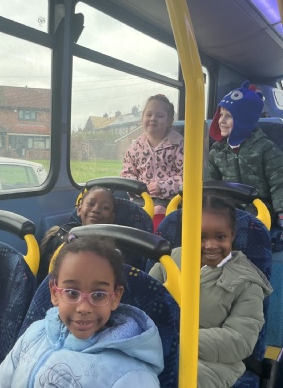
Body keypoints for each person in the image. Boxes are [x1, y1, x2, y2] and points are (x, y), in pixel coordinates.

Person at [0, 236, 164, 388]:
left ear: (115, 297)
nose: (83, 308)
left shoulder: (132, 374)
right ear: (54, 293)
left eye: (99, 295)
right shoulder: (35, 333)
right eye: (72, 293)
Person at [149, 195, 272, 388]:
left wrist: (178, 340)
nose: (210, 245)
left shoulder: (247, 282)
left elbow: (240, 341)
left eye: (220, 237)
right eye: (201, 237)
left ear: (232, 235)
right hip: (158, 350)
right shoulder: (169, 261)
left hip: (216, 364)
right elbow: (145, 301)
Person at [207, 80, 283, 227]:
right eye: (221, 115)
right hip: (228, 205)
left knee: (244, 224)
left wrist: (281, 212)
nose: (221, 121)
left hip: (259, 206)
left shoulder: (265, 148)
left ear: (244, 120)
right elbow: (211, 183)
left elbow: (279, 182)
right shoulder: (216, 150)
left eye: (228, 116)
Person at [120, 94, 184, 230]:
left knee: (159, 209)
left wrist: (163, 186)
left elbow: (187, 176)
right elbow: (127, 174)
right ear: (142, 118)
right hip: (142, 197)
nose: (153, 119)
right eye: (149, 115)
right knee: (124, 210)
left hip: (171, 198)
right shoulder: (135, 148)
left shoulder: (178, 145)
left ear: (169, 121)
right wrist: (140, 188)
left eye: (159, 116)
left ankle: (156, 239)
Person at [37, 186, 116, 284]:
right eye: (90, 204)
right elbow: (42, 276)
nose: (96, 210)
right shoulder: (60, 236)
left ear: (112, 217)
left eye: (105, 208)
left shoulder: (114, 247)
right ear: (79, 209)